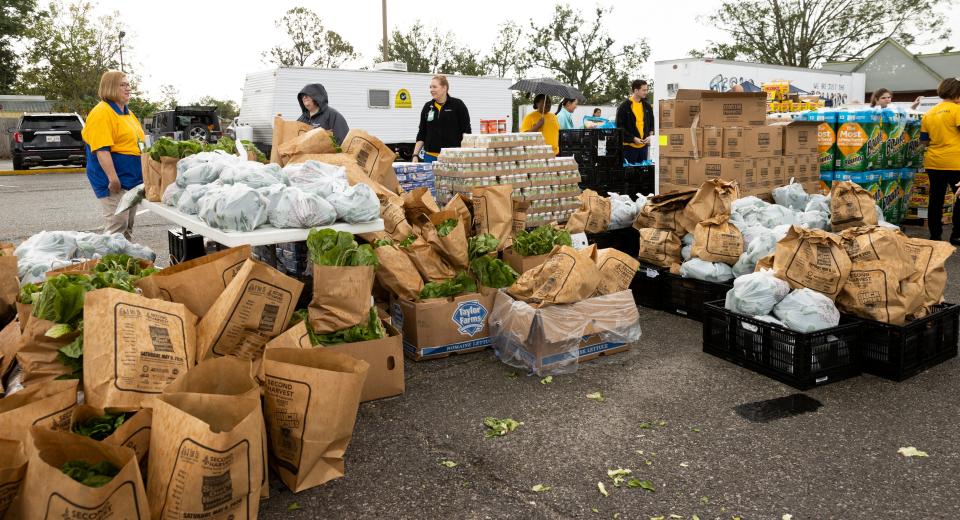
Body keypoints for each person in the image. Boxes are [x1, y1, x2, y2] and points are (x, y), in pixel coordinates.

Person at [81, 70, 144, 240]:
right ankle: (107, 262)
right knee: (117, 227)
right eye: (122, 85)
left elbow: (139, 145)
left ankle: (125, 263)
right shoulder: (101, 112)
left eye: (128, 84)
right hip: (114, 181)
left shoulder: (128, 113)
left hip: (132, 181)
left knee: (127, 228)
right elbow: (102, 149)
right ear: (109, 87)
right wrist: (112, 178)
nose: (128, 88)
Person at [921, 78, 960, 244]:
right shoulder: (957, 110)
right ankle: (956, 235)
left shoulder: (929, 113)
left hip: (933, 161)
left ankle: (935, 235)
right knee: (959, 197)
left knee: (936, 198)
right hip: (955, 161)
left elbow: (924, 141)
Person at [413, 74, 471, 163]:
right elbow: (422, 133)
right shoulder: (427, 107)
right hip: (430, 157)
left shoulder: (458, 105)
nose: (431, 90)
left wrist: (464, 154)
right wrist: (415, 155)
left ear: (444, 88)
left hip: (452, 156)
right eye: (430, 87)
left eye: (434, 87)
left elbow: (466, 131)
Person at [616, 79, 655, 163]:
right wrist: (633, 138)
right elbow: (620, 126)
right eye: (644, 90)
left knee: (642, 173)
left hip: (643, 147)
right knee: (630, 174)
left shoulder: (647, 106)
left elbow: (652, 123)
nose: (646, 92)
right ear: (636, 90)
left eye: (646, 90)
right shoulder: (624, 106)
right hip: (629, 148)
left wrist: (650, 136)